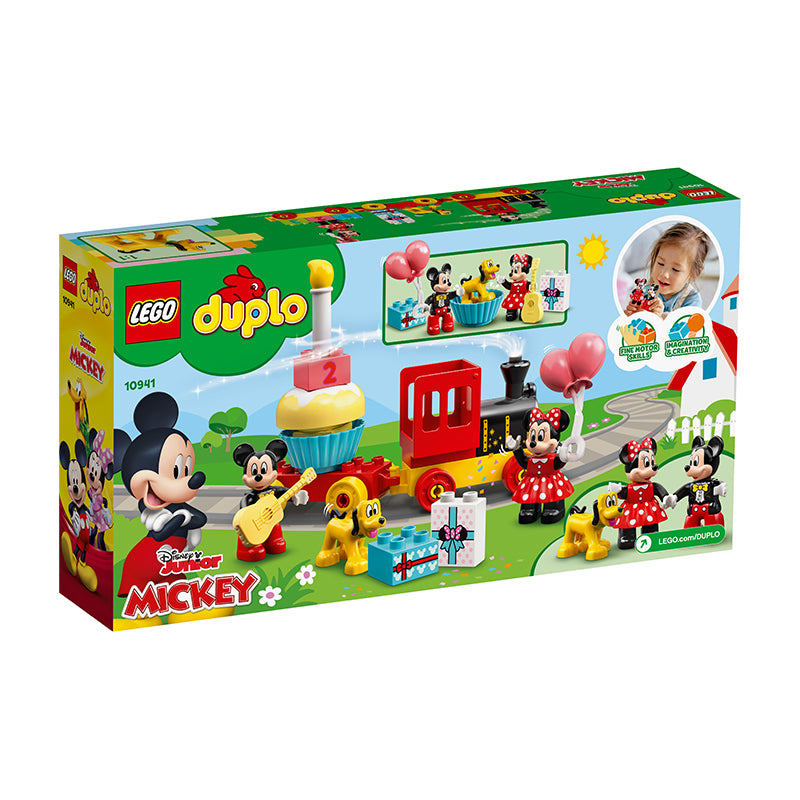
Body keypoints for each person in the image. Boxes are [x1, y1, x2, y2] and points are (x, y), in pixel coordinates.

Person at [624, 222, 709, 318]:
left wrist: (658, 318)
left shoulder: (692, 300)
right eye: (660, 263)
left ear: (694, 273)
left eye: (675, 269)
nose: (664, 274)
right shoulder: (647, 291)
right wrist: (633, 313)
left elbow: (685, 326)